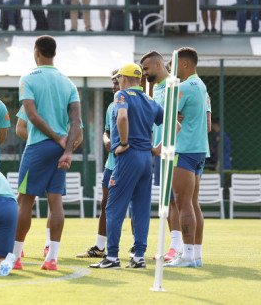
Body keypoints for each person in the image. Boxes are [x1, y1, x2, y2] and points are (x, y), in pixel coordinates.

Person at [13, 35, 81, 271]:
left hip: (39, 146)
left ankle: (16, 256)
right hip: (61, 149)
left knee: (24, 201)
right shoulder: (68, 83)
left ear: (36, 52)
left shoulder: (28, 78)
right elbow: (76, 121)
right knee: (55, 201)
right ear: (54, 53)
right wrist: (68, 150)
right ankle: (52, 258)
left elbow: (31, 116)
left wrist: (55, 137)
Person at [91, 63, 163, 270]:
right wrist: (156, 148)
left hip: (128, 157)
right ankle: (139, 257)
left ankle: (112, 257)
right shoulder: (150, 99)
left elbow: (122, 116)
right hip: (146, 159)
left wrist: (122, 143)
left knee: (113, 208)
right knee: (141, 209)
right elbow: (174, 124)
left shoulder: (121, 96)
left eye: (119, 78)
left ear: (123, 78)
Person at [165, 47, 211, 269]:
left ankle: (188, 256)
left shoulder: (182, 87)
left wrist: (172, 113)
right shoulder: (201, 86)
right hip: (199, 149)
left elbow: (165, 117)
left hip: (184, 150)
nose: (170, 68)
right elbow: (205, 123)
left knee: (182, 202)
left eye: (172, 63)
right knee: (192, 202)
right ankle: (195, 254)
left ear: (183, 64)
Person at [140, 51, 182, 262]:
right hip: (162, 152)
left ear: (158, 64)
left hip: (177, 151)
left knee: (177, 200)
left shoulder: (175, 86)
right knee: (168, 200)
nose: (144, 73)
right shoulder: (156, 88)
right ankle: (175, 245)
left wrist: (158, 146)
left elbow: (177, 120)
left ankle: (180, 246)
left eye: (147, 69)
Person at [77, 69, 119, 259]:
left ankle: (137, 247)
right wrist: (105, 140)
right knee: (106, 204)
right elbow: (106, 131)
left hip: (131, 163)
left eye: (117, 82)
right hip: (112, 164)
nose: (113, 87)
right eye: (113, 83)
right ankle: (100, 247)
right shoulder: (111, 106)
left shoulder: (141, 102)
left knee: (134, 206)